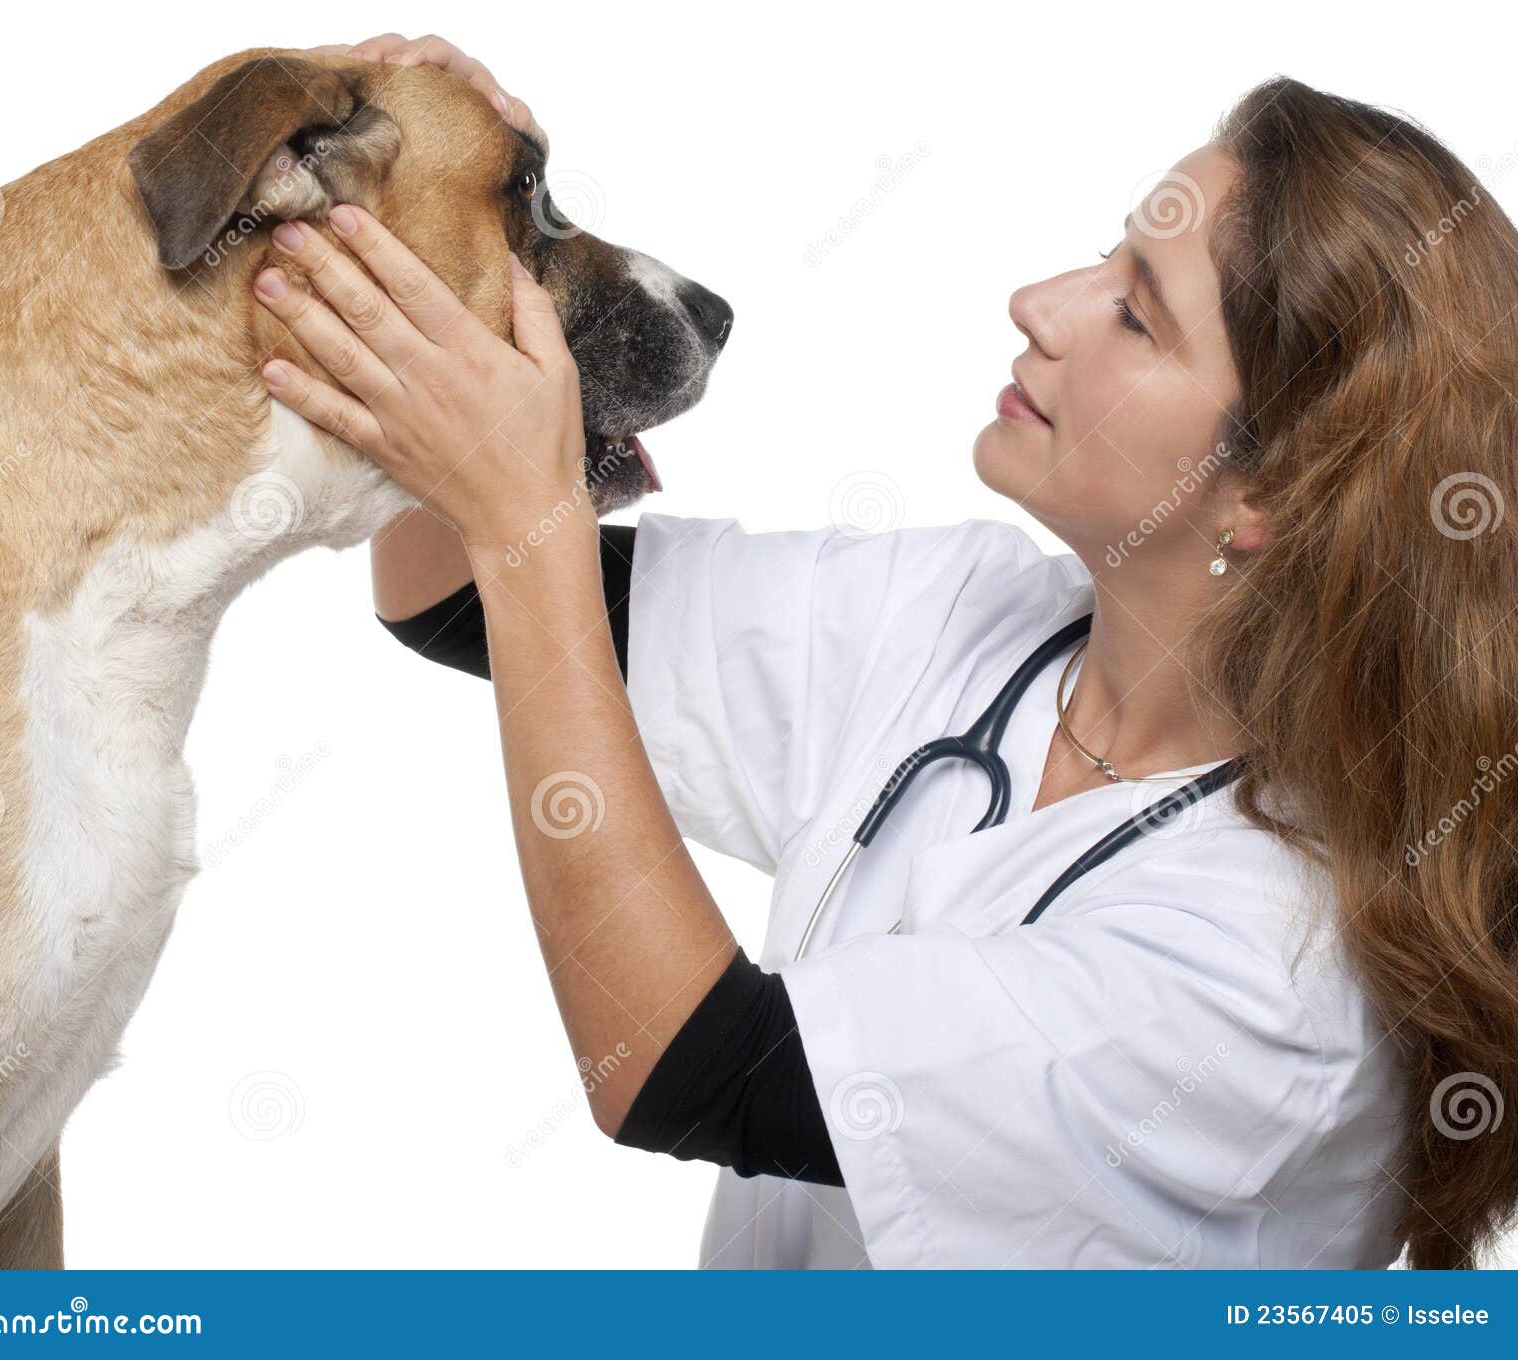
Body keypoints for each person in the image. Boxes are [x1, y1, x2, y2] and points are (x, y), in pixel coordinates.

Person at [260, 35, 1518, 1269]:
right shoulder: (972, 615)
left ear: (1270, 494)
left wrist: (515, 507)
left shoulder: (1269, 975)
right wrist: (461, 239)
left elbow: (689, 1068)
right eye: (1102, 255)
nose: (1040, 304)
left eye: (1134, 314)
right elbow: (458, 601)